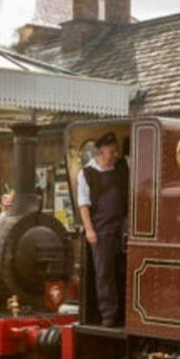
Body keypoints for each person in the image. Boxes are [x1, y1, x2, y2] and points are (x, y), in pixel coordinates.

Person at [77, 132, 129, 327]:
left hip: (123, 223)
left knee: (125, 268)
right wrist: (90, 230)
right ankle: (108, 314)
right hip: (101, 226)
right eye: (111, 151)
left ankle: (125, 311)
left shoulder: (124, 164)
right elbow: (84, 205)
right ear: (100, 152)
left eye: (116, 150)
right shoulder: (86, 174)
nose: (115, 154)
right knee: (104, 271)